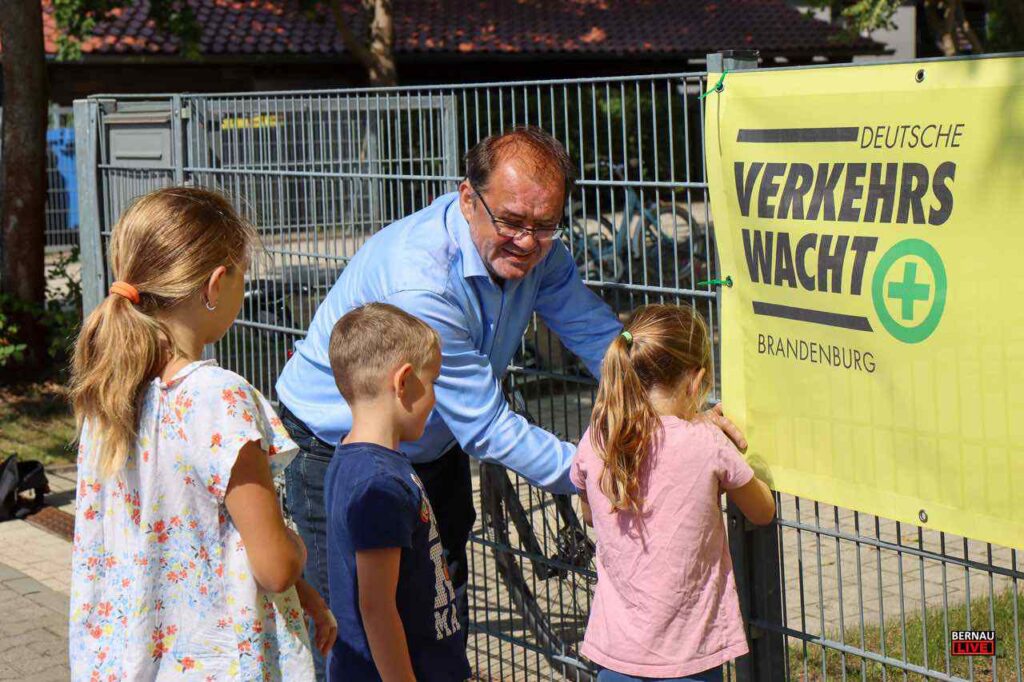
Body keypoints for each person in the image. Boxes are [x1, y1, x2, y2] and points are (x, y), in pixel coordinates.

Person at [275, 126, 747, 675]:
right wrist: (607, 466)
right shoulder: (422, 283)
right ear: (468, 198)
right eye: (512, 222)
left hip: (428, 438)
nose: (528, 242)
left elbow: (598, 337)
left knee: (439, 608)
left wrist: (676, 408)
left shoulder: (542, 251)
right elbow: (488, 427)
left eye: (545, 225)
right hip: (338, 443)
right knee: (355, 630)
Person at [67, 188, 336, 681]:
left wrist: (302, 593)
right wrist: (296, 549)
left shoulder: (107, 395)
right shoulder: (219, 399)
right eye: (242, 274)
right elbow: (274, 565)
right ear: (215, 284)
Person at [571, 304, 775, 682]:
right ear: (696, 382)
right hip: (689, 659)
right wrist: (750, 462)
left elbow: (589, 513)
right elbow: (763, 511)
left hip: (615, 657)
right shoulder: (708, 443)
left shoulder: (598, 438)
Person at [323, 303, 471, 681]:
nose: (435, 398)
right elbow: (377, 609)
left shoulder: (359, 462)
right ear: (403, 382)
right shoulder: (379, 486)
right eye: (432, 382)